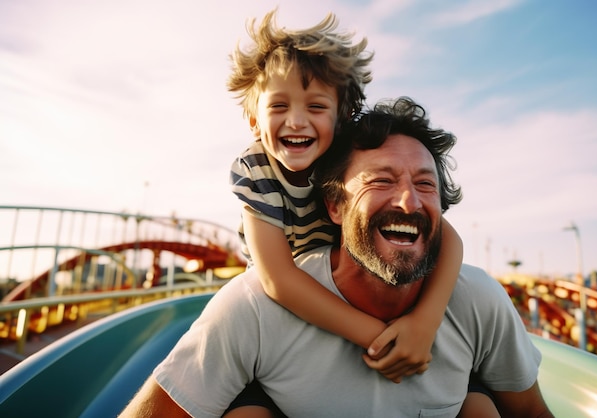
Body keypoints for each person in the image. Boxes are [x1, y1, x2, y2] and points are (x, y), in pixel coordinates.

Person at [119, 97, 554, 417]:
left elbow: (532, 413)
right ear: (335, 206)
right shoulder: (255, 307)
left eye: (426, 186)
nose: (409, 201)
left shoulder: (476, 300)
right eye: (380, 180)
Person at [226, 10, 465, 413]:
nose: (296, 121)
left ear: (341, 120)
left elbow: (449, 238)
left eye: (316, 107)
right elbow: (278, 280)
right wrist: (380, 335)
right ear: (254, 120)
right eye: (278, 106)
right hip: (282, 313)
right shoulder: (257, 171)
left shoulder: (347, 165)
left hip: (348, 284)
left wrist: (424, 323)